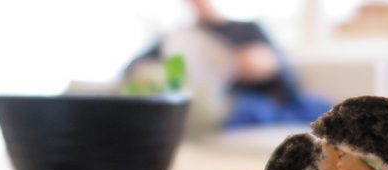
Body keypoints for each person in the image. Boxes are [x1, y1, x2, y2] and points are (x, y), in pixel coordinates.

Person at [125, 0, 330, 132]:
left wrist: (269, 65)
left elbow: (288, 79)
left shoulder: (247, 29)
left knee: (314, 105)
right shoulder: (175, 39)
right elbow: (134, 68)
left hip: (261, 100)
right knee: (245, 109)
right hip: (220, 104)